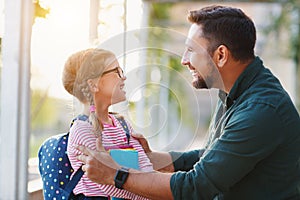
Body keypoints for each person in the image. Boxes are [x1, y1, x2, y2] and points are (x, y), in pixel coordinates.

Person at [75, 5, 300, 200]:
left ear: (221, 55)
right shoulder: (235, 93)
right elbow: (214, 155)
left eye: (191, 50)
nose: (184, 60)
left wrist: (115, 175)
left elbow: (195, 187)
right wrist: (155, 159)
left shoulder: (261, 110)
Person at [62, 48, 153, 199]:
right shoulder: (83, 131)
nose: (123, 77)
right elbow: (110, 185)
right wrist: (153, 195)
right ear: (94, 85)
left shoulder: (123, 124)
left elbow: (146, 168)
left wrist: (153, 189)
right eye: (117, 71)